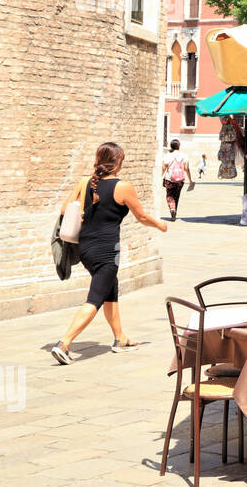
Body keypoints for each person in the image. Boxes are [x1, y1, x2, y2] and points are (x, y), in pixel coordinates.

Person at [51, 142, 167, 364]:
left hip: (85, 248)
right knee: (95, 298)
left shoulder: (85, 182)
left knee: (110, 290)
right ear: (119, 162)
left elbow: (65, 209)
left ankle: (120, 338)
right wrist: (160, 225)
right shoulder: (122, 186)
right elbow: (141, 217)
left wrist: (85, 211)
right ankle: (64, 344)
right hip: (106, 252)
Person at [160, 138, 190, 221]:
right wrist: (190, 180)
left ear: (171, 146)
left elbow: (163, 168)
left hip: (169, 179)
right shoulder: (184, 155)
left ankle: (172, 210)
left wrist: (159, 177)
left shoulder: (167, 155)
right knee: (176, 196)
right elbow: (186, 168)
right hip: (180, 180)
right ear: (179, 146)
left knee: (169, 196)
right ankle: (174, 211)